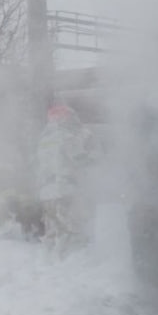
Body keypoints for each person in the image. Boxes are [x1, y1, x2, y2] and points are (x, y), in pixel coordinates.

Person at [34, 103, 97, 248]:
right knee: (72, 228)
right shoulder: (67, 136)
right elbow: (79, 158)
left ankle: (50, 260)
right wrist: (94, 159)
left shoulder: (44, 139)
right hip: (65, 189)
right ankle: (70, 261)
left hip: (47, 192)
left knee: (53, 230)